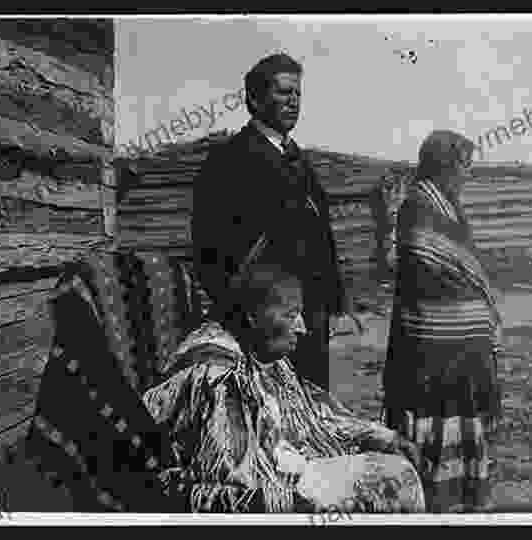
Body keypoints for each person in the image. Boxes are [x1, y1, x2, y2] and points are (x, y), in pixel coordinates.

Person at [142, 264, 425, 513]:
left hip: (279, 469)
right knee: (393, 482)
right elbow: (227, 476)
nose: (301, 327)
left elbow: (312, 416)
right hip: (242, 489)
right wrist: (288, 500)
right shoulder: (219, 373)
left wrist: (382, 436)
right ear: (253, 316)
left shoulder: (263, 354)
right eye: (290, 315)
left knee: (397, 471)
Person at [191, 53, 360, 391]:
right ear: (254, 99)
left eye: (297, 93)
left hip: (309, 314)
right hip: (263, 320)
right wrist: (244, 313)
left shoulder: (298, 160)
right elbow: (209, 248)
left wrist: (334, 301)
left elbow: (319, 235)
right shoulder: (230, 160)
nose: (293, 102)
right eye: (284, 93)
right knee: (268, 412)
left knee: (310, 405)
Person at [382, 130, 503, 513]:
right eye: (462, 166)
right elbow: (419, 255)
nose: (467, 175)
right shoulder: (418, 206)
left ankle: (461, 494)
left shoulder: (451, 208)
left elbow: (464, 266)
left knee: (461, 416)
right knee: (432, 415)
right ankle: (430, 497)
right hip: (430, 342)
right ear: (442, 166)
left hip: (462, 348)